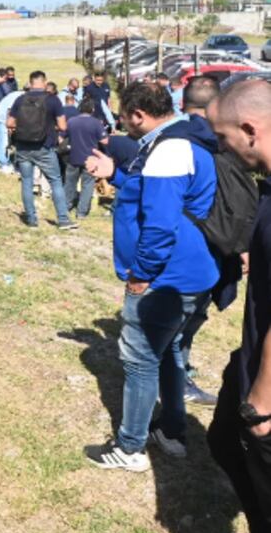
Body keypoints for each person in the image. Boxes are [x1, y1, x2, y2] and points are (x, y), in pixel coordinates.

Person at [84, 82, 218, 471]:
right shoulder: (181, 139)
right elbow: (162, 194)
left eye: (124, 117)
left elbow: (160, 225)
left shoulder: (170, 150)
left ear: (138, 115)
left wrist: (141, 275)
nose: (122, 124)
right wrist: (117, 175)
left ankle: (129, 447)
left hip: (166, 277)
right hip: (192, 271)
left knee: (140, 360)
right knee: (170, 353)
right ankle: (172, 432)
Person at [205, 79, 271, 533]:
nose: (223, 150)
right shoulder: (265, 185)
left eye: (225, 138)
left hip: (268, 387)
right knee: (223, 442)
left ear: (250, 129)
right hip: (250, 356)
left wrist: (263, 401)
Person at [177, 73, 226, 404]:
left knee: (177, 320)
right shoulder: (229, 141)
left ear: (183, 103)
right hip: (221, 244)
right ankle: (179, 375)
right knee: (193, 316)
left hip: (184, 247)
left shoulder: (174, 139)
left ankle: (178, 371)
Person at [6, 70, 77, 229]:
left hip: (23, 147)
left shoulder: (20, 99)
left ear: (30, 83)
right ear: (45, 83)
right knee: (55, 181)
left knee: (27, 181)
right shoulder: (53, 100)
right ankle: (63, 219)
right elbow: (63, 126)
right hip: (44, 147)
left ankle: (31, 219)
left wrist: (23, 127)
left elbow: (10, 123)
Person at [64, 97, 108, 218]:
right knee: (87, 185)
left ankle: (66, 206)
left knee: (70, 183)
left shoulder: (71, 121)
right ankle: (81, 212)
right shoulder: (96, 123)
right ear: (92, 109)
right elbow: (105, 141)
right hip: (91, 159)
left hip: (73, 156)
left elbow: (61, 137)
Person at [0, 88, 24, 175]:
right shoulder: (20, 96)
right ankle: (3, 165)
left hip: (3, 120)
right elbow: (10, 111)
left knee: (4, 143)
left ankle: (8, 163)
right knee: (3, 143)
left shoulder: (18, 94)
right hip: (1, 120)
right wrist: (9, 126)